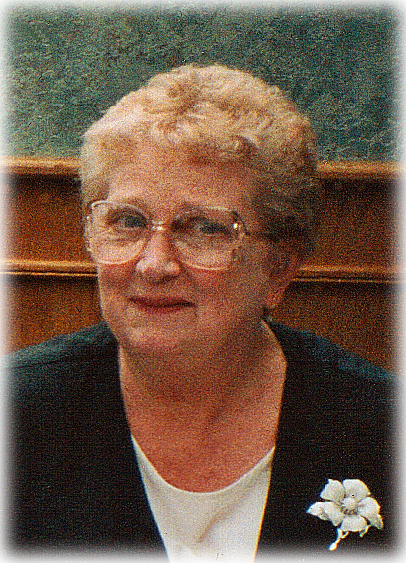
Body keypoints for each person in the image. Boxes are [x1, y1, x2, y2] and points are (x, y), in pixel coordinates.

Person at [8, 64, 396, 560]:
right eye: (127, 221)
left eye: (204, 228)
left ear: (278, 269)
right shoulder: (18, 413)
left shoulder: (380, 426)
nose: (154, 264)